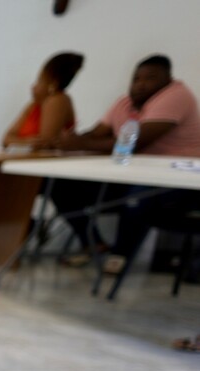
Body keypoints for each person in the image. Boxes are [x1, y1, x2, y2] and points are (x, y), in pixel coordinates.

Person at [53, 55, 200, 271]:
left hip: (180, 182)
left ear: (168, 80)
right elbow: (96, 134)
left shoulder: (177, 95)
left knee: (138, 193)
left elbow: (133, 143)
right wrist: (71, 141)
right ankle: (92, 243)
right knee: (60, 185)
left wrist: (79, 143)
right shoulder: (124, 103)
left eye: (150, 78)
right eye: (136, 79)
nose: (141, 84)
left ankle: (119, 256)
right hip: (134, 176)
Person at [2, 52, 83, 150]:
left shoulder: (57, 100)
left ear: (53, 84)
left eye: (39, 81)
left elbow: (45, 145)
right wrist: (26, 142)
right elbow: (5, 139)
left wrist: (18, 142)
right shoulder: (33, 106)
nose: (33, 87)